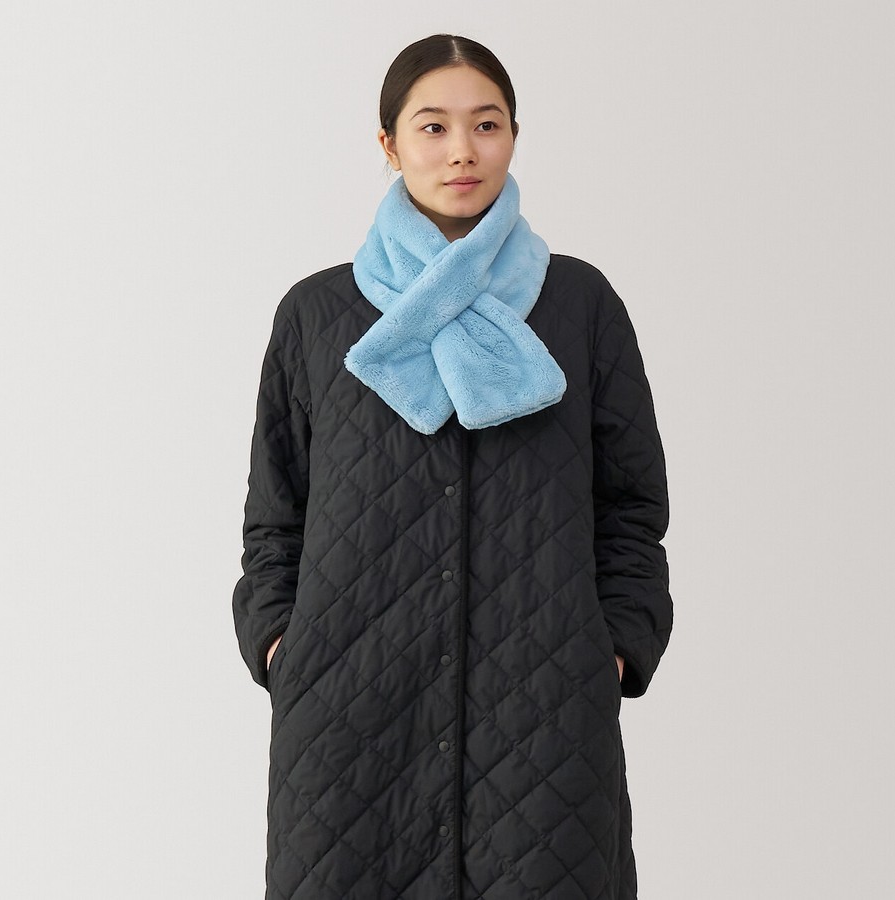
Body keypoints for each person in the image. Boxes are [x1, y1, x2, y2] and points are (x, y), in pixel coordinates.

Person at [233, 33, 673, 900]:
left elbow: (630, 505)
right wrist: (284, 643)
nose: (462, 150)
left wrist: (614, 647)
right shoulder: (318, 313)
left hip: (545, 716)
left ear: (514, 135)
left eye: (487, 124)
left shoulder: (578, 303)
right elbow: (276, 515)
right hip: (350, 717)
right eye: (433, 126)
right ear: (390, 143)